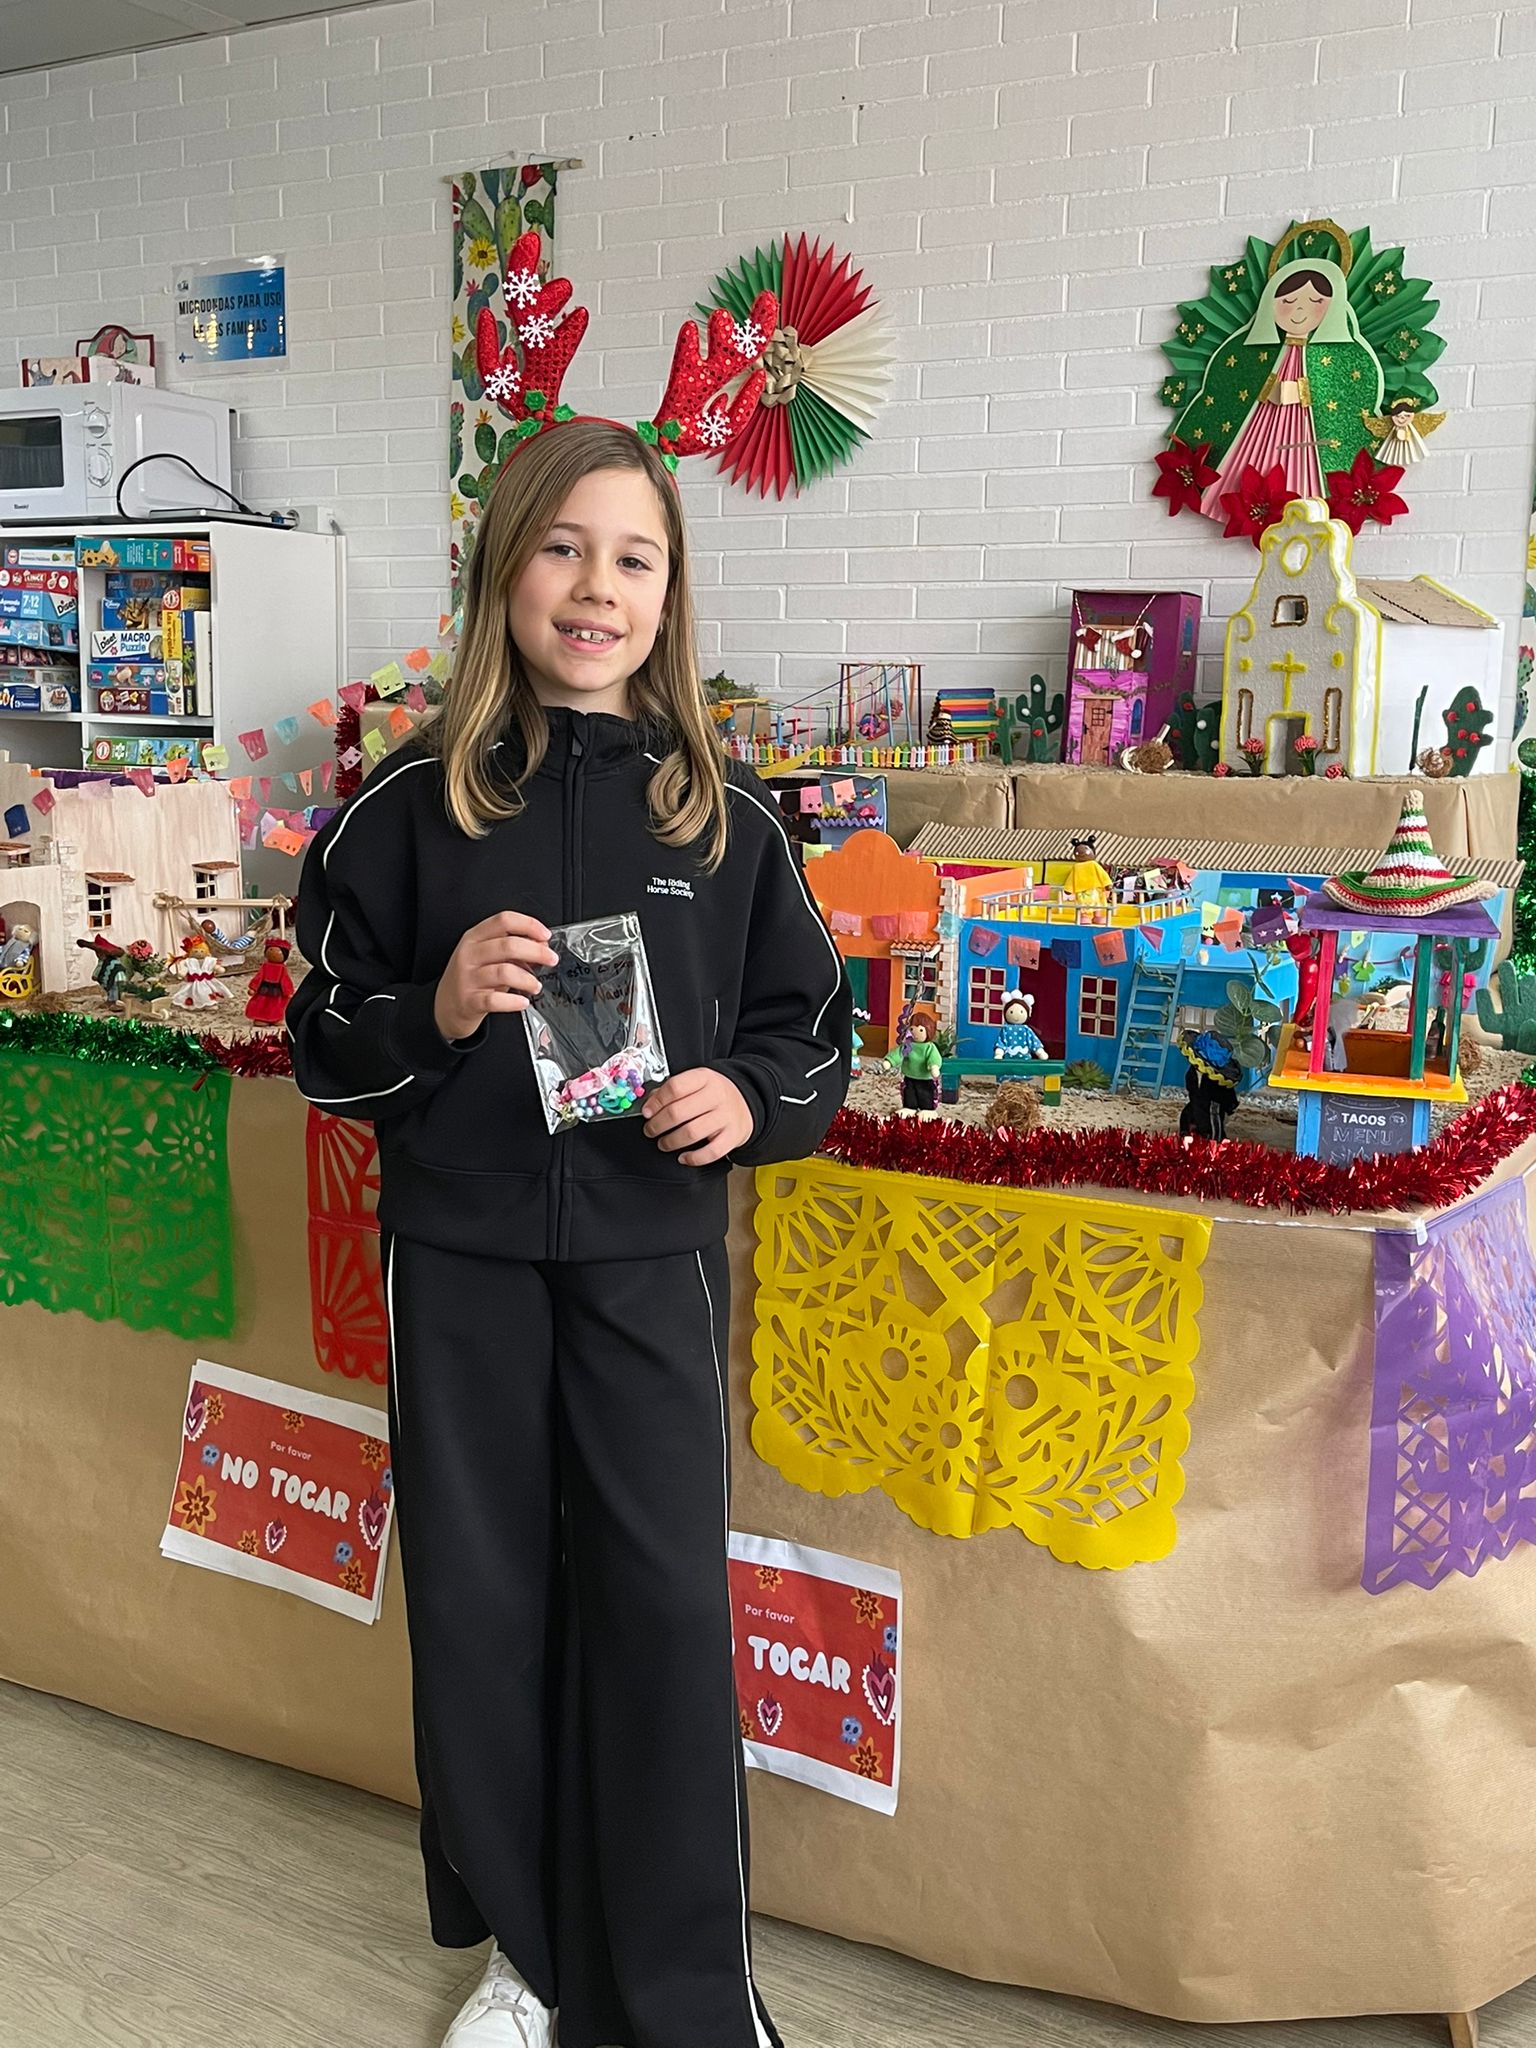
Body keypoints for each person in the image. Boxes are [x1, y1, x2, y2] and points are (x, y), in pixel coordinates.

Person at [286, 395, 851, 2048]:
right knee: (480, 1602)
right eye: (564, 547)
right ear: (499, 570)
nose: (598, 588)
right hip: (456, 1266)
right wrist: (437, 1005)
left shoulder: (725, 819)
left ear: (668, 597)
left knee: (663, 1607)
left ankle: (688, 1983)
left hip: (644, 1266)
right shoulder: (405, 805)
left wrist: (749, 1100)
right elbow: (320, 1028)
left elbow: (811, 1023)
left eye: (637, 559)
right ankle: (526, 1954)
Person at [886, 1003, 943, 1115]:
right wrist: (890, 1061)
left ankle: (927, 1110)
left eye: (920, 1030)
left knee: (926, 1093)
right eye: (912, 1029)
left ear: (928, 1030)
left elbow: (934, 1057)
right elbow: (899, 1053)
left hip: (925, 1078)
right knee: (909, 1092)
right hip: (909, 1076)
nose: (915, 1033)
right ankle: (909, 1108)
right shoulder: (908, 1045)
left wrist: (934, 1066)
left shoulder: (929, 1047)